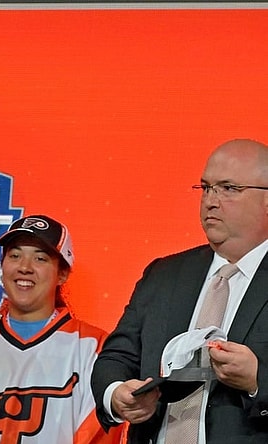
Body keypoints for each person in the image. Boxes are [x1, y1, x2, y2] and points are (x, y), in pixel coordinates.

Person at [91, 138, 268, 443]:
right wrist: (116, 393)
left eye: (228, 188)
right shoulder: (164, 274)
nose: (211, 201)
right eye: (206, 188)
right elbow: (116, 357)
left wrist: (257, 379)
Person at [0, 215, 123, 444]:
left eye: (40, 258)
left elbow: (99, 433)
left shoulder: (95, 348)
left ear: (62, 273)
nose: (24, 268)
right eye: (15, 256)